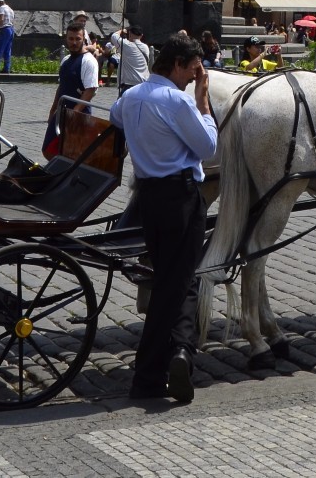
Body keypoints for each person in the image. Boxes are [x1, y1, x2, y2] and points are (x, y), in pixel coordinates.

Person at [110, 33, 216, 404]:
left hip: (148, 199)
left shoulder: (131, 96)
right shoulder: (177, 101)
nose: (193, 76)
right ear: (176, 65)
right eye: (192, 70)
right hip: (182, 199)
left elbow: (115, 117)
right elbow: (207, 147)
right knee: (178, 283)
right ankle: (156, 369)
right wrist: (202, 104)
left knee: (174, 281)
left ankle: (179, 352)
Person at [44, 23, 100, 154]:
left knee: (72, 153)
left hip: (78, 115)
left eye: (78, 39)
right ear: (66, 39)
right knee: (49, 149)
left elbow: (90, 90)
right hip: (61, 112)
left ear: (83, 39)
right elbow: (61, 86)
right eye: (71, 39)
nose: (74, 42)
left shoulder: (89, 61)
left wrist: (74, 114)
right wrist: (53, 110)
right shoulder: (66, 60)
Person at [113, 23, 152, 93]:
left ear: (130, 34)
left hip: (129, 84)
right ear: (141, 35)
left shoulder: (126, 45)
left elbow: (114, 36)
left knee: (122, 103)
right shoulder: (145, 47)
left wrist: (122, 30)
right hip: (143, 83)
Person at [0, 0, 18, 75]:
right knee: (7, 50)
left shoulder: (2, 8)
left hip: (5, 29)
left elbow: (1, 19)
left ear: (0, 3)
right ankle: (6, 68)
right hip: (11, 29)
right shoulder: (10, 9)